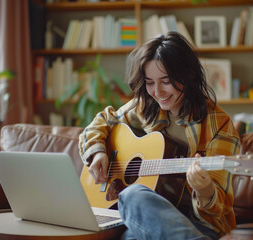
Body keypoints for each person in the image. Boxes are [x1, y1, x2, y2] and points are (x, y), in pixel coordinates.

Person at [79, 32, 240, 240]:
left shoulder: (219, 124)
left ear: (189, 74)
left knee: (131, 196)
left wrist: (206, 189)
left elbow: (219, 208)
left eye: (166, 81)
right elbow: (101, 122)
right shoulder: (145, 106)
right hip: (152, 218)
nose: (157, 92)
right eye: (150, 82)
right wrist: (98, 152)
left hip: (200, 225)